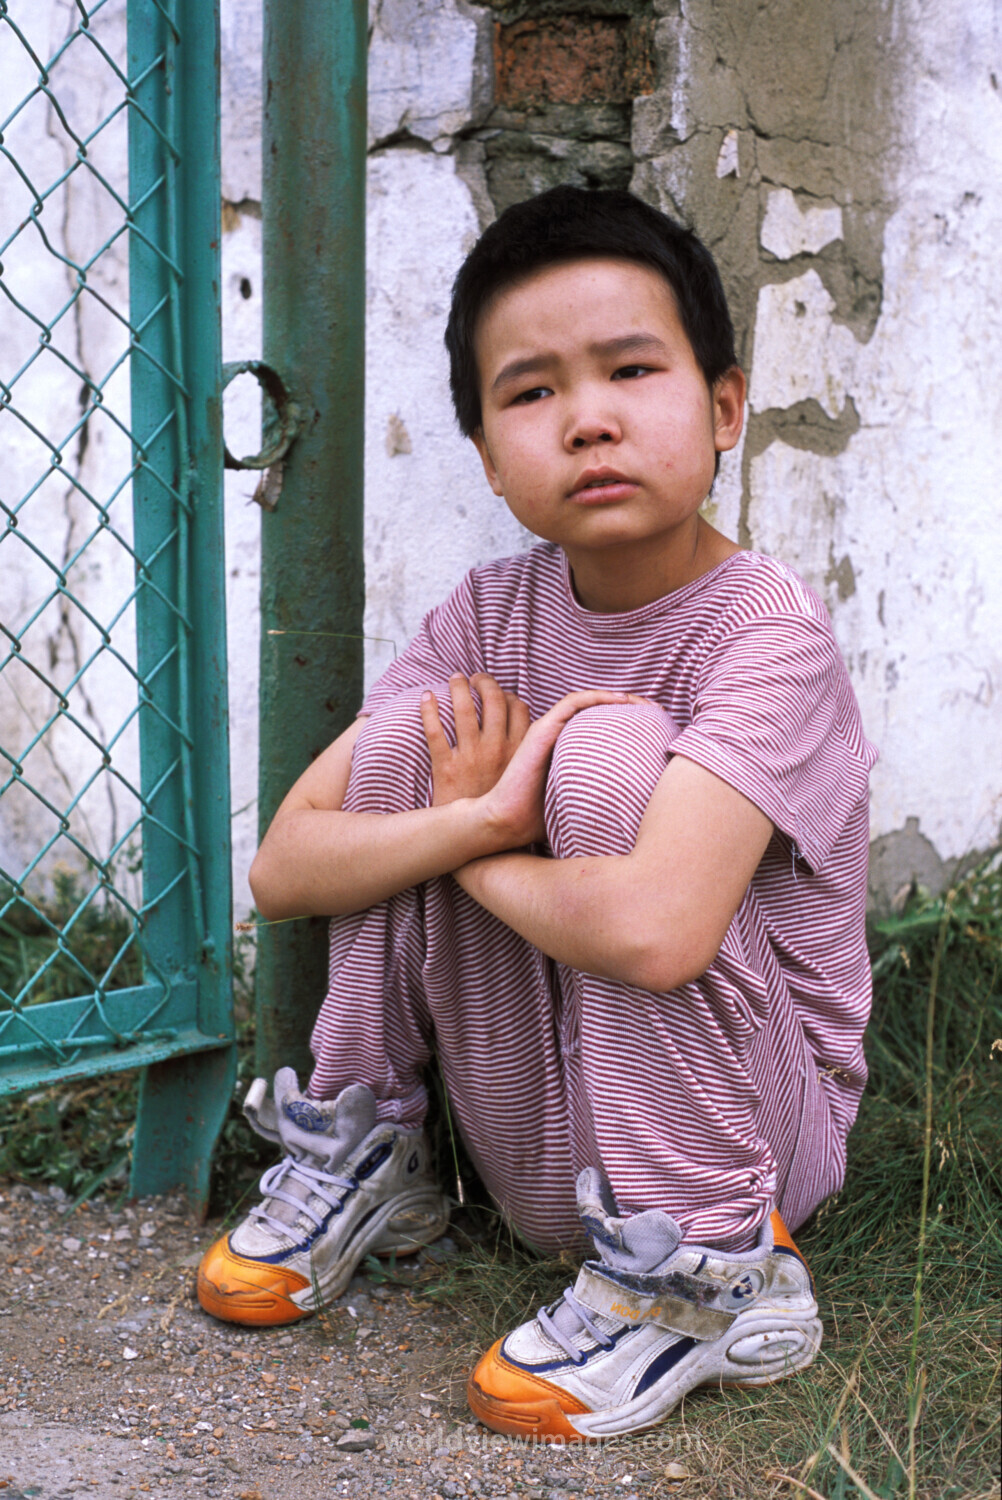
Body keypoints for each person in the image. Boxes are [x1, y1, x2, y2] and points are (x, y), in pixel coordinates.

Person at [197, 185, 877, 1442]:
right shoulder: (487, 616)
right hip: (548, 1131)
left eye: (630, 369)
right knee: (426, 728)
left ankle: (712, 1276)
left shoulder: (768, 636)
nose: (589, 420)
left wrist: (484, 835)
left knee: (606, 754)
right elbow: (286, 866)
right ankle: (377, 1153)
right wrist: (469, 819)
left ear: (724, 407)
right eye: (532, 392)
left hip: (748, 1143)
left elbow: (663, 932)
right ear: (489, 460)